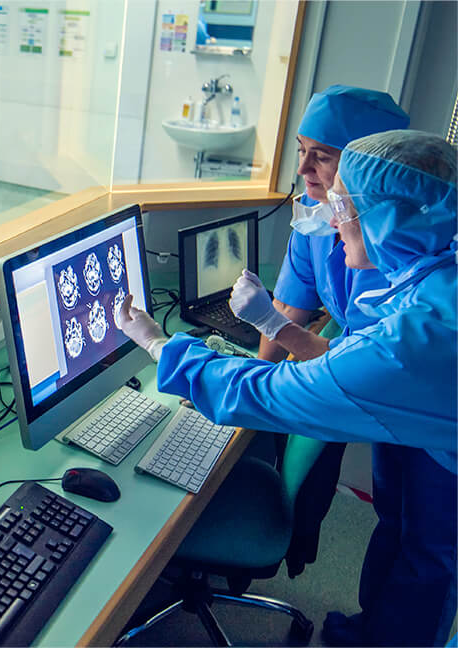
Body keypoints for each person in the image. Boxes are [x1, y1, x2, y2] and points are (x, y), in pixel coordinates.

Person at [120, 130, 457, 647]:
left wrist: (158, 344)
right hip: (432, 435)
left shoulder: (415, 336)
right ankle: (376, 632)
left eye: (343, 203)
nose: (331, 216)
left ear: (391, 218)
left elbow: (279, 392)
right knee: (401, 527)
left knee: (431, 553)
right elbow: (354, 369)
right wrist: (278, 326)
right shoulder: (431, 278)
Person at [248, 85, 410, 578]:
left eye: (321, 157)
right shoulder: (317, 222)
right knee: (394, 508)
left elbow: (369, 357)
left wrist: (240, 385)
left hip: (410, 388)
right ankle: (371, 626)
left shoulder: (403, 241)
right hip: (355, 363)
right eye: (301, 150)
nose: (303, 170)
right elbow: (289, 307)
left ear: (365, 166)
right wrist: (253, 379)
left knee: (420, 527)